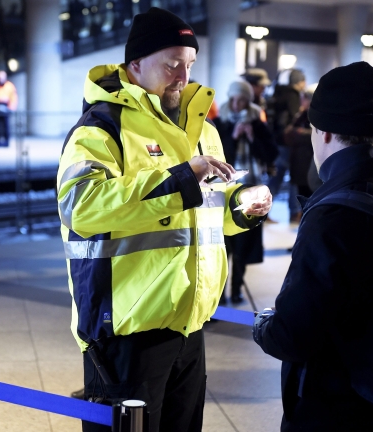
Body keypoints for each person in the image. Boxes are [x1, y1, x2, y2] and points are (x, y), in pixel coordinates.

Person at [57, 7, 272, 432]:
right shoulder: (101, 128)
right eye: (173, 64)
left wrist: (241, 207)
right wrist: (180, 179)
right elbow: (80, 206)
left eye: (189, 65)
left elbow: (207, 212)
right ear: (135, 64)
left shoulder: (202, 131)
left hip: (189, 324)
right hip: (124, 331)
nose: (183, 76)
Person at [253, 62, 373, 431]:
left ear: (323, 133)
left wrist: (263, 325)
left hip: (336, 410)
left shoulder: (333, 214)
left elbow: (294, 335)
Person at [213, 80, 276, 304]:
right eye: (234, 99)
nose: (237, 104)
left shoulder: (257, 123)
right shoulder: (219, 122)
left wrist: (252, 138)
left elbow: (271, 153)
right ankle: (218, 294)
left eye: (242, 100)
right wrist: (232, 137)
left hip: (251, 190)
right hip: (222, 191)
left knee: (244, 244)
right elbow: (216, 158)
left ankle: (237, 287)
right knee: (220, 246)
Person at [268, 68, 306, 223]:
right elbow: (293, 118)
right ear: (299, 82)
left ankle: (262, 210)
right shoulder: (293, 96)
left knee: (276, 178)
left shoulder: (277, 93)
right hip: (288, 143)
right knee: (294, 178)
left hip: (277, 142)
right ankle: (294, 212)